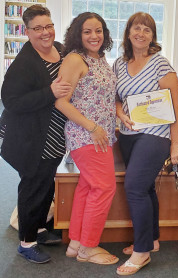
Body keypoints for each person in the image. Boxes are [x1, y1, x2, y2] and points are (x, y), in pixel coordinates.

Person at [0, 4, 72, 264]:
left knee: (46, 185)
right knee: (32, 187)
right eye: (38, 28)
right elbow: (11, 101)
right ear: (27, 32)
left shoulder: (61, 49)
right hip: (30, 140)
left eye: (49, 26)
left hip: (53, 135)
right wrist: (49, 93)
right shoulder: (24, 64)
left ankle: (40, 229)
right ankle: (27, 242)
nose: (45, 32)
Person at [113, 12, 178, 275]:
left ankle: (142, 253)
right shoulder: (119, 63)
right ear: (128, 32)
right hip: (129, 135)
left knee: (134, 187)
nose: (141, 33)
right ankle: (152, 240)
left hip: (156, 135)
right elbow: (116, 97)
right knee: (146, 188)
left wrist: (175, 145)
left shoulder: (160, 64)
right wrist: (120, 113)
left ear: (153, 36)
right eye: (136, 28)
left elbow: (176, 107)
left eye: (147, 30)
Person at [55, 12, 119, 265]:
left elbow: (103, 98)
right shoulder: (74, 59)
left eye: (99, 30)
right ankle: (89, 248)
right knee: (104, 188)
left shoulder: (101, 59)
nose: (94, 36)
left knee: (88, 187)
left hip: (101, 135)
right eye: (87, 31)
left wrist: (119, 116)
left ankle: (76, 243)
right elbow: (61, 102)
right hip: (86, 136)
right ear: (77, 34)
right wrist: (92, 127)